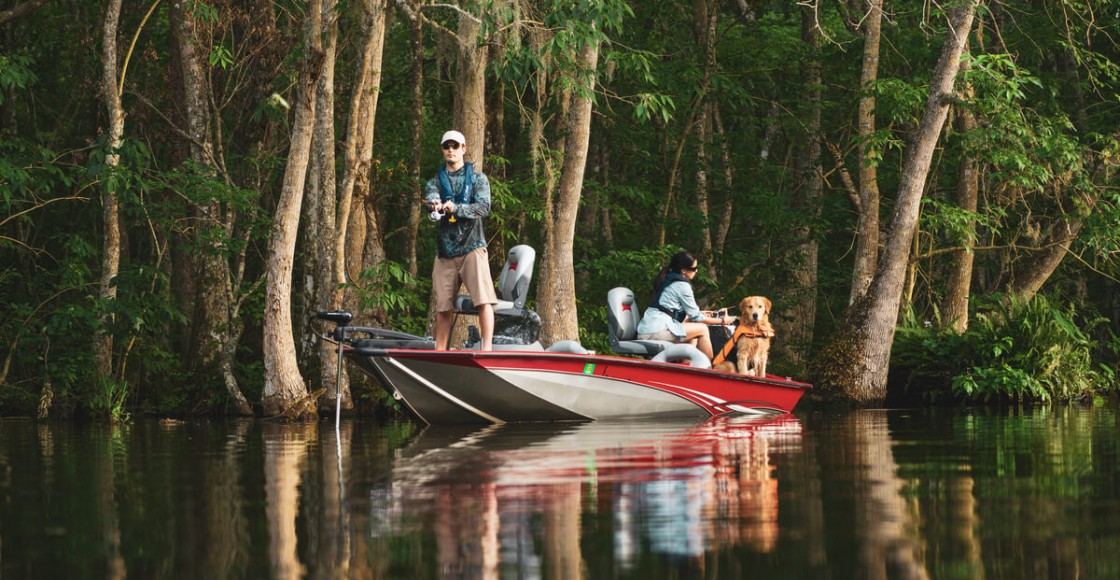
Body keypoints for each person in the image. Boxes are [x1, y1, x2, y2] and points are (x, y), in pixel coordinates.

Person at [424, 130, 497, 350]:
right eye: (447, 146)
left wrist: (457, 208)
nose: (451, 150)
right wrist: (435, 205)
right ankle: (440, 351)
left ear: (463, 149)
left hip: (473, 247)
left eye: (455, 146)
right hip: (445, 252)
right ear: (442, 150)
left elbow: (483, 208)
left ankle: (487, 350)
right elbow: (431, 198)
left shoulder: (478, 178)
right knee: (443, 306)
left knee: (483, 301)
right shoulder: (435, 181)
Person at [635, 251, 733, 360]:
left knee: (694, 335)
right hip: (657, 331)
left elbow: (670, 310)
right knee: (703, 329)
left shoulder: (668, 278)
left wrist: (701, 313)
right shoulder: (682, 285)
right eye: (694, 268)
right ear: (684, 270)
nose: (696, 271)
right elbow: (696, 317)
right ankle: (711, 369)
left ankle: (686, 368)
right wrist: (723, 321)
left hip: (647, 329)